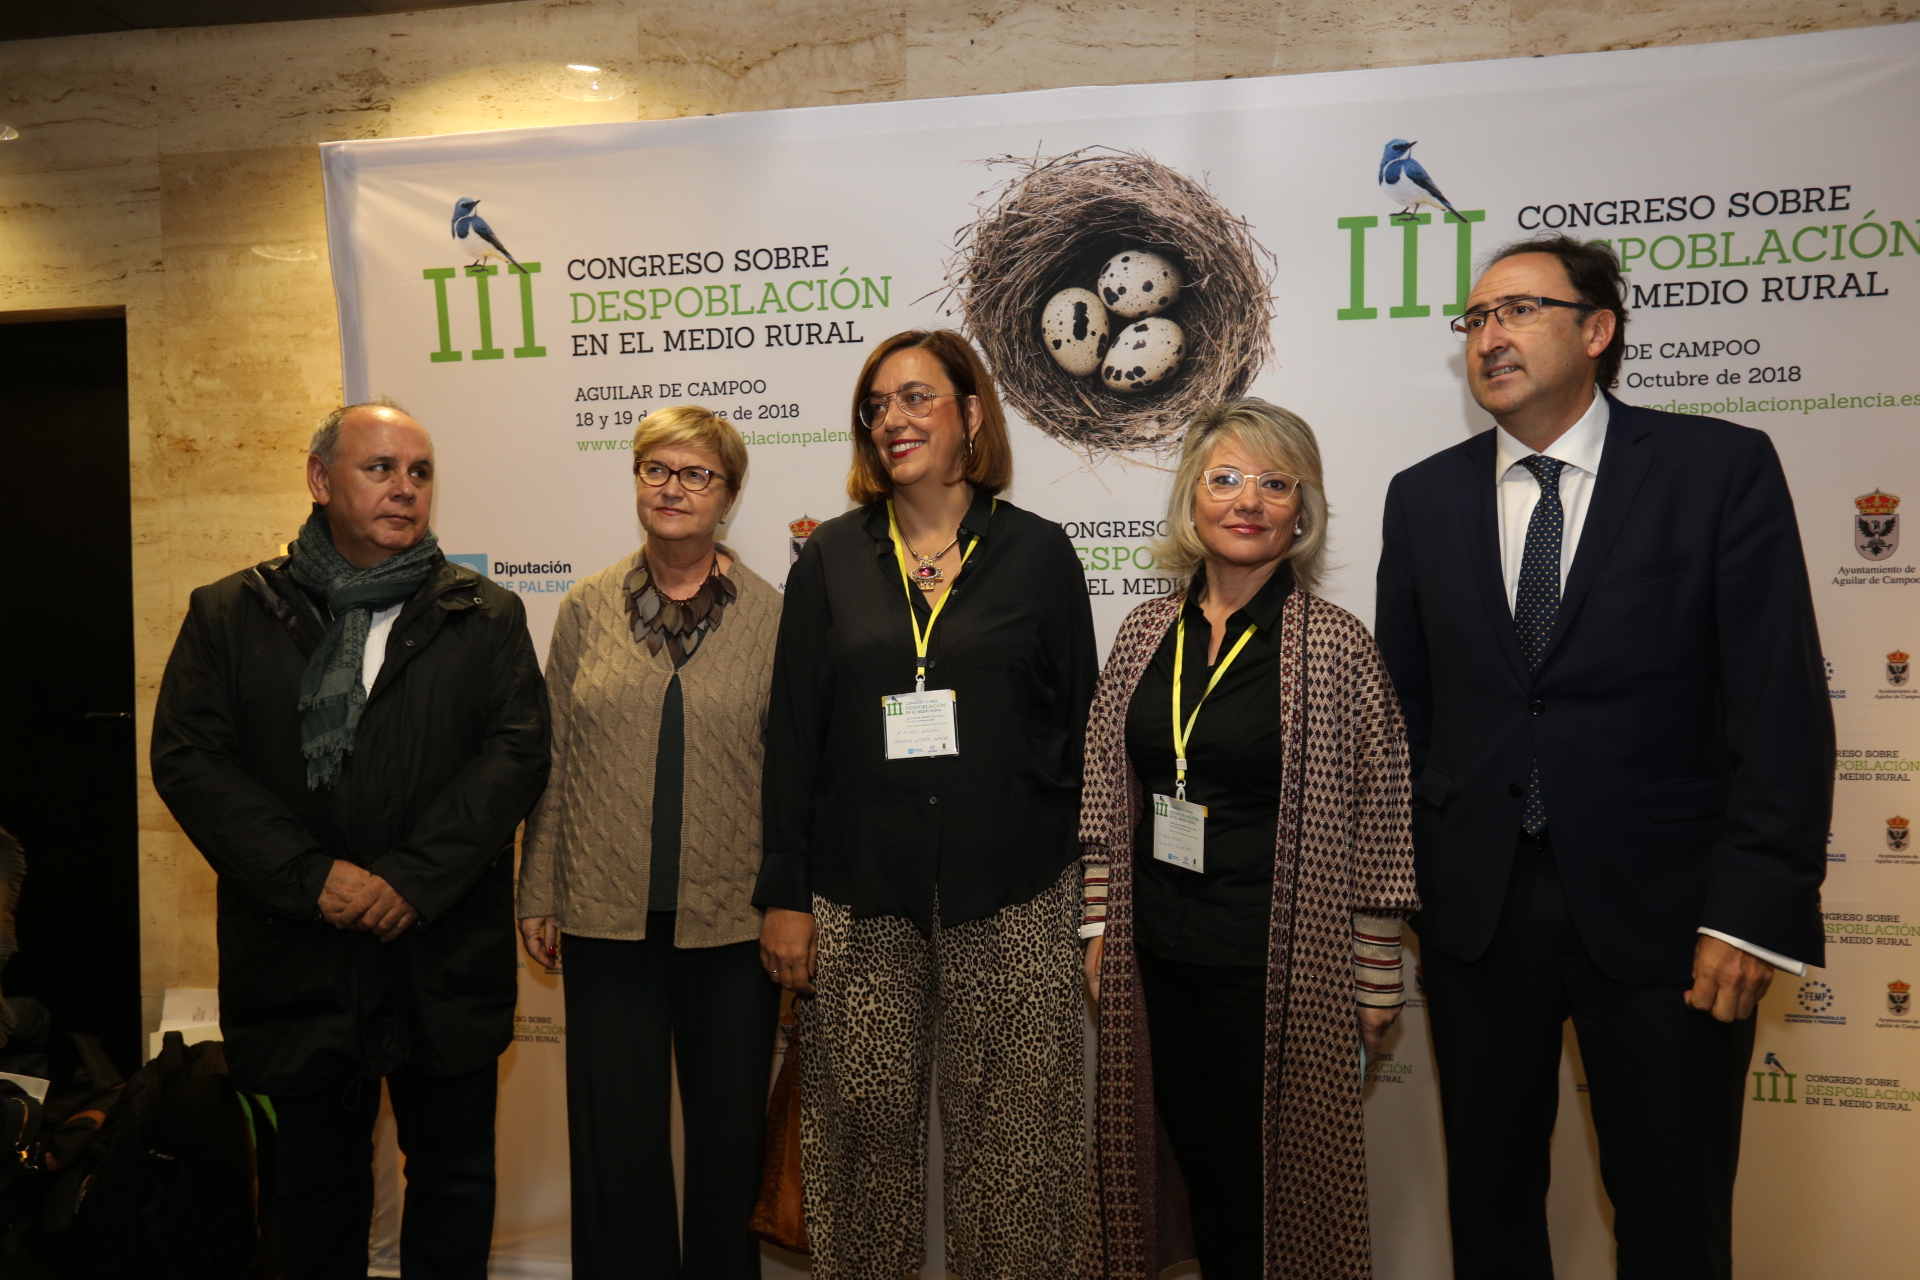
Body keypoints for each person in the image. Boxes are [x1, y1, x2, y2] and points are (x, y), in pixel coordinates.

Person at [1374, 235, 1831, 1279]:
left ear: (1597, 329)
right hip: (1480, 916)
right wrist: (1418, 884)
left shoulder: (1718, 470)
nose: (1489, 336)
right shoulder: (1423, 495)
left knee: (1673, 1213)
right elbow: (1405, 715)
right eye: (1475, 319)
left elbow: (1778, 708)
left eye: (1518, 310)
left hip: (1672, 914)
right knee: (1490, 1210)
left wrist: (1750, 910)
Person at [151, 400, 551, 1280]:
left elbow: (516, 754)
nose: (404, 488)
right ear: (320, 478)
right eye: (380, 468)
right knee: (315, 1197)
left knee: (453, 1185)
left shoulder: (484, 615)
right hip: (300, 958)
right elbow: (190, 760)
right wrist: (310, 878)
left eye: (419, 472)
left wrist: (412, 880)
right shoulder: (231, 613)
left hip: (440, 957)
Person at [754, 330, 1098, 1280]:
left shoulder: (1038, 553)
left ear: (971, 415)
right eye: (876, 406)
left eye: (916, 398)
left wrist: (1093, 896)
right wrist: (785, 894)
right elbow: (793, 736)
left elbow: (1080, 732)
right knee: (860, 1157)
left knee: (1017, 1159)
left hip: (1016, 896)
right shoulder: (830, 559)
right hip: (860, 896)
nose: (892, 420)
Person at [1079, 398, 1419, 1280]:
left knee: (1262, 1197)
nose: (1248, 501)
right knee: (1196, 1175)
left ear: (1302, 512)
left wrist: (1376, 973)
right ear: (1192, 499)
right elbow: (1106, 787)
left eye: (1275, 484)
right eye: (1225, 478)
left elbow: (1383, 814)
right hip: (1155, 958)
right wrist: (1099, 926)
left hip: (1274, 967)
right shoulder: (1145, 633)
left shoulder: (1336, 647)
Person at [517, 405, 783, 1279]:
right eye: (656, 469)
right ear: (635, 480)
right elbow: (555, 757)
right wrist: (537, 889)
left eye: (697, 474)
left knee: (728, 1148)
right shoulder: (586, 607)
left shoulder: (774, 617)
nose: (674, 489)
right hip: (604, 917)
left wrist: (794, 901)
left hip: (733, 924)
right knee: (615, 1147)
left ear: (729, 496)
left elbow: (793, 776)